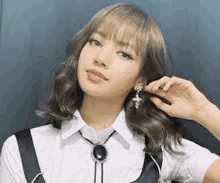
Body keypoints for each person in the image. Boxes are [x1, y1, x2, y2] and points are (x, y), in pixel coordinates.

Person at [0, 3, 220, 183]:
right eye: (95, 42)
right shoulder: (23, 149)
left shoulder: (163, 152)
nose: (101, 58)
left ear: (140, 80)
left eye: (124, 54)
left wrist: (205, 112)